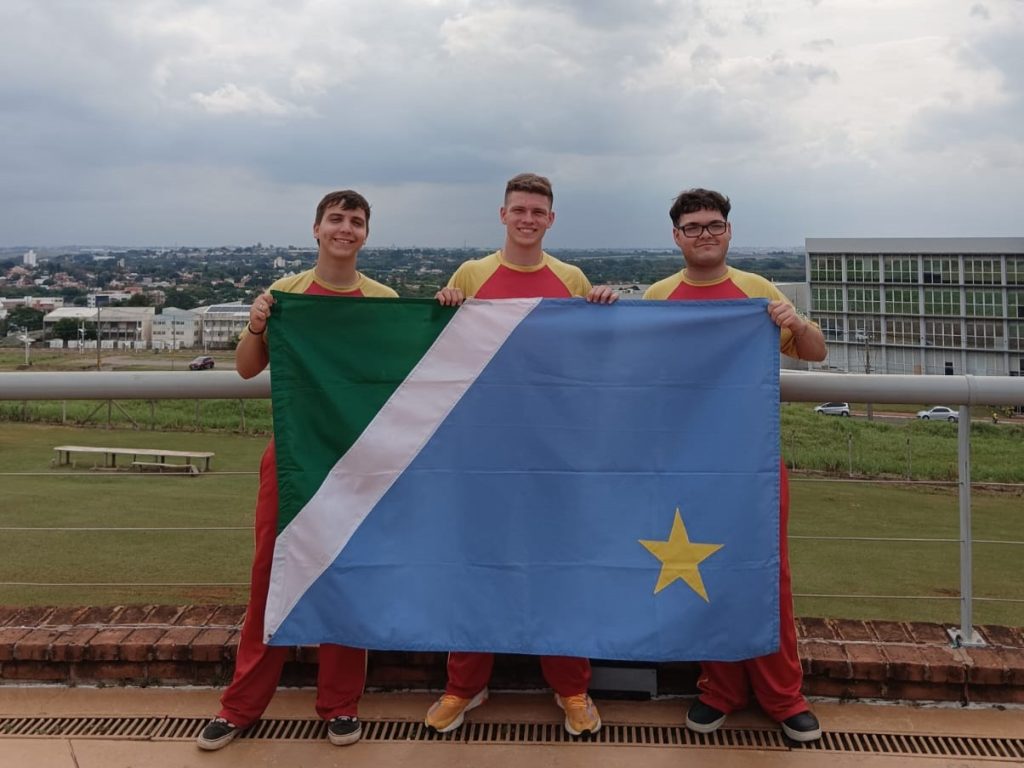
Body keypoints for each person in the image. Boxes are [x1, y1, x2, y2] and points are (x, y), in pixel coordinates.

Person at [197, 190, 398, 751]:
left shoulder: (383, 298)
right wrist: (259, 323)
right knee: (272, 577)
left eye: (356, 221)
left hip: (356, 461)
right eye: (336, 219)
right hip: (290, 456)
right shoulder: (284, 293)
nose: (346, 228)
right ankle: (240, 707)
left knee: (343, 578)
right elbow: (244, 369)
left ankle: (339, 705)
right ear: (316, 229)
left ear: (365, 234)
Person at [427, 172, 616, 737]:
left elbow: (592, 357)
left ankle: (572, 687)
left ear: (550, 219)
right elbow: (442, 352)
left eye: (538, 211)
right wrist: (445, 304)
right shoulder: (472, 274)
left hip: (554, 450)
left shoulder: (571, 277)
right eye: (519, 210)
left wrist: (603, 307)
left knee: (560, 569)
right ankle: (464, 684)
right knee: (476, 567)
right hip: (483, 448)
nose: (528, 219)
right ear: (502, 214)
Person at [643, 188, 827, 744]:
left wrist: (793, 321)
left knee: (770, 575)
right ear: (676, 236)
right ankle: (718, 688)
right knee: (700, 574)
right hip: (684, 462)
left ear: (728, 232)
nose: (705, 234)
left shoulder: (758, 290)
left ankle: (782, 695)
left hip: (753, 462)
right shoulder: (656, 295)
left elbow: (815, 351)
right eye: (693, 226)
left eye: (714, 225)